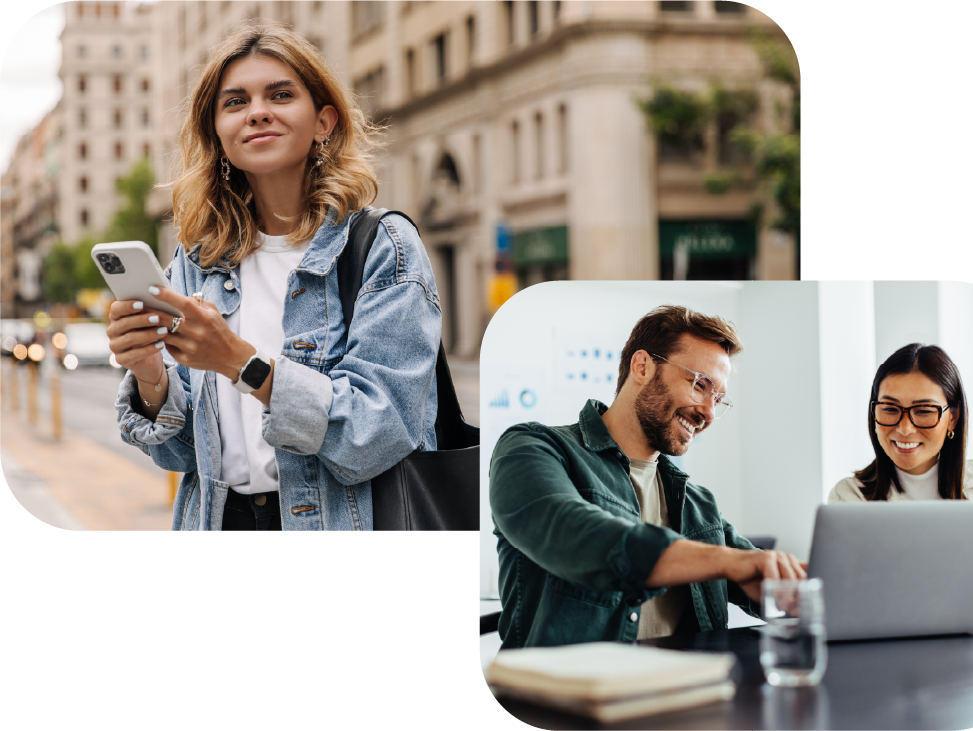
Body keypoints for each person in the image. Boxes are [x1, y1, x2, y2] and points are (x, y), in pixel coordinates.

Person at [106, 23, 441, 530]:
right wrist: (151, 376)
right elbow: (180, 457)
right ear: (217, 133)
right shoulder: (199, 261)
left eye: (281, 95)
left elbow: (378, 431)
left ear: (323, 121)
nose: (258, 111)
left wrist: (241, 364)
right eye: (235, 102)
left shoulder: (380, 244)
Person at [489, 305, 805, 649]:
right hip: (569, 697)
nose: (709, 413)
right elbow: (576, 534)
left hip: (692, 693)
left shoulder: (699, 504)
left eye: (719, 399)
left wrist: (801, 584)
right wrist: (729, 561)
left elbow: (760, 575)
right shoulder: (533, 448)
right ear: (642, 367)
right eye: (700, 385)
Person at [829, 343, 973, 614]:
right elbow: (855, 599)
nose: (904, 428)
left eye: (923, 411)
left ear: (953, 417)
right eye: (889, 408)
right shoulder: (849, 498)